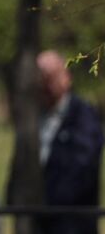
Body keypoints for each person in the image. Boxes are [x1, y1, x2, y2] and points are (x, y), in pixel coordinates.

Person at [36, 50, 103, 234]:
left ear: (66, 77)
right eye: (41, 78)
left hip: (73, 223)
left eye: (50, 77)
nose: (45, 84)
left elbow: (83, 168)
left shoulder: (83, 116)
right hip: (39, 220)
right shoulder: (34, 116)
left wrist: (50, 200)